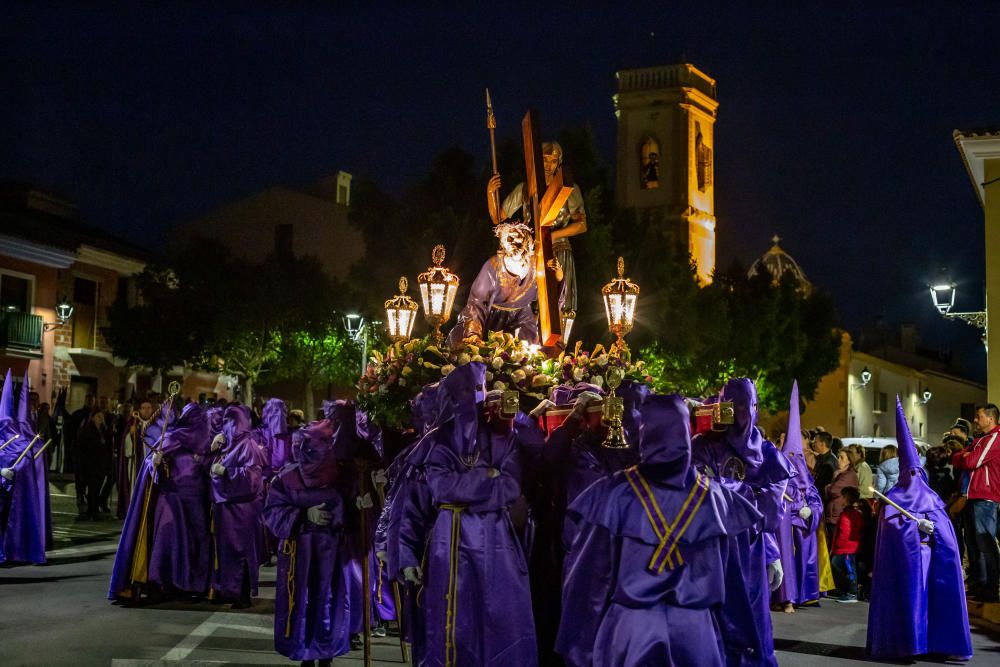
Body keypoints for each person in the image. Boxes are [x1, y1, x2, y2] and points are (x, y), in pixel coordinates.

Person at [556, 394, 762, 666]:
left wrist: (579, 644)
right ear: (686, 432)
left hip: (631, 633)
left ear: (644, 433)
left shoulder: (615, 496)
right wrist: (740, 642)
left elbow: (589, 579)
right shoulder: (717, 500)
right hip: (695, 633)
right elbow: (733, 582)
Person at [399, 362, 538, 666]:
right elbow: (439, 489)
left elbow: (510, 485)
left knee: (500, 617)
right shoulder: (436, 443)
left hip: (496, 545)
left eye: (476, 393)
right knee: (454, 624)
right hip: (449, 546)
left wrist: (469, 486)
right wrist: (486, 477)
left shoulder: (504, 438)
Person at [691, 378, 793, 667]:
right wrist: (745, 492)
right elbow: (698, 492)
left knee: (752, 617)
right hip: (714, 548)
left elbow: (770, 511)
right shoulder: (704, 445)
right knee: (717, 622)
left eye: (744, 406)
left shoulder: (769, 452)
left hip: (752, 550)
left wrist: (772, 552)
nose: (738, 413)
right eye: (731, 405)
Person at [867, 398, 971, 660]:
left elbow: (945, 531)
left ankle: (940, 644)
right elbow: (890, 530)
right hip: (907, 563)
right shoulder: (894, 499)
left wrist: (934, 528)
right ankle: (908, 644)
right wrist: (912, 528)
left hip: (932, 560)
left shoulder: (933, 498)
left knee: (934, 602)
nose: (913, 477)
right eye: (909, 473)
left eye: (917, 472)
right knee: (911, 602)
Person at [264, 418, 351, 666]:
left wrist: (363, 504)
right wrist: (303, 515)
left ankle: (325, 653)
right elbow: (272, 511)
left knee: (327, 602)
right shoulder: (287, 478)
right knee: (302, 601)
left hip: (330, 553)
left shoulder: (342, 477)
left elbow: (354, 515)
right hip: (299, 552)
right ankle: (304, 653)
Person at [487, 140, 587, 317]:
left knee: (560, 306)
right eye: (545, 159)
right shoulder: (526, 189)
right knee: (532, 307)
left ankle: (560, 341)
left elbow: (581, 224)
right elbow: (498, 218)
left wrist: (554, 235)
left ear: (559, 163)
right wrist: (490, 192)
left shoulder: (567, 188)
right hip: (533, 254)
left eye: (553, 160)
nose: (548, 165)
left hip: (559, 250)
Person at [447, 224, 561, 348]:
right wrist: (473, 332)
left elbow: (551, 294)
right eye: (509, 239)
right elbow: (477, 302)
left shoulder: (536, 266)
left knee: (528, 354)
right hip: (491, 319)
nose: (513, 243)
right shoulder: (493, 266)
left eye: (517, 238)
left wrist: (557, 275)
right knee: (472, 349)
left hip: (522, 320)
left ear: (527, 241)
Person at [772, 381, 824, 613]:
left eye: (797, 457)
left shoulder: (806, 478)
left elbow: (815, 499)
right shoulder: (779, 475)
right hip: (784, 525)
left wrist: (810, 511)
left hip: (802, 526)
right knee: (784, 557)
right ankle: (786, 597)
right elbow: (773, 497)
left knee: (802, 557)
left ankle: (803, 594)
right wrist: (790, 509)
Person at [209, 405, 264, 608]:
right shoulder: (229, 445)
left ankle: (242, 595)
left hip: (242, 510)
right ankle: (228, 590)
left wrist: (226, 472)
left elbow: (253, 479)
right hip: (227, 508)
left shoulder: (247, 446)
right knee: (228, 552)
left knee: (241, 552)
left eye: (230, 422)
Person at [951, 403, 1000, 602]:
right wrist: (965, 456)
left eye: (978, 416)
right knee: (973, 545)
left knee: (985, 544)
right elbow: (955, 458)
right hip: (973, 497)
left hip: (986, 498)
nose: (975, 420)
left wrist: (966, 457)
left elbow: (970, 462)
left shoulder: (994, 438)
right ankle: (980, 583)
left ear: (990, 418)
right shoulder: (980, 439)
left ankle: (992, 587)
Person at [830, 486, 863, 603]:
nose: (841, 499)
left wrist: (839, 544)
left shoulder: (849, 514)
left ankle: (852, 592)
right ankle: (848, 590)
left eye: (843, 497)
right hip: (845, 547)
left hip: (846, 548)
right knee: (840, 567)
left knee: (848, 570)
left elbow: (845, 531)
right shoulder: (850, 513)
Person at [76, 410, 110, 520]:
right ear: (93, 417)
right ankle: (91, 511)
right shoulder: (88, 430)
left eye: (102, 416)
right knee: (92, 488)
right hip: (91, 464)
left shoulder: (103, 430)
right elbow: (85, 447)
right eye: (98, 416)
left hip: (101, 463)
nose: (100, 418)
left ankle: (94, 509)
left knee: (97, 487)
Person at [825, 448, 859, 544]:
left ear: (849, 460)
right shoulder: (840, 473)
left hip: (838, 515)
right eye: (838, 457)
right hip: (834, 514)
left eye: (842, 457)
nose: (838, 460)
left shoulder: (849, 475)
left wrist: (828, 486)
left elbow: (833, 490)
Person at [811, 431, 837, 498]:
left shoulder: (829, 462)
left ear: (823, 444)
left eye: (816, 442)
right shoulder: (821, 458)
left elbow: (823, 485)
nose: (813, 444)